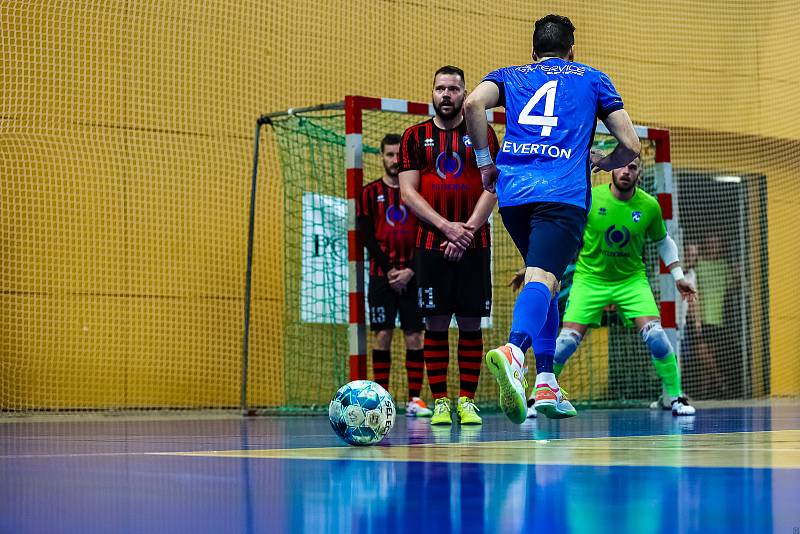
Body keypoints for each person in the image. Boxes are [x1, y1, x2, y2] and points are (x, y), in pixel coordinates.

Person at [464, 14, 641, 422]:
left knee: (546, 278)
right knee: (542, 279)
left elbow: (473, 104)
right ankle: (513, 352)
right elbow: (630, 145)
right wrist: (604, 161)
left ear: (533, 51)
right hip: (561, 193)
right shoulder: (592, 78)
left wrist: (484, 162)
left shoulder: (508, 74)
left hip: (513, 194)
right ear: (571, 50)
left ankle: (546, 382)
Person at [520, 156, 698, 417]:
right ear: (612, 169)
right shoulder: (590, 198)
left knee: (657, 337)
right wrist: (536, 266)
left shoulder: (649, 206)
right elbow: (566, 236)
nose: (626, 171)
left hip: (631, 281)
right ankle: (537, 397)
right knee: (565, 343)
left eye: (633, 167)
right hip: (590, 279)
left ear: (639, 174)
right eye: (622, 166)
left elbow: (663, 241)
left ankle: (674, 396)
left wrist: (679, 275)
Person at [398, 65, 500, 426]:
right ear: (433, 92)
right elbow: (408, 191)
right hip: (431, 244)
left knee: (471, 323)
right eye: (440, 88)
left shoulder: (483, 133)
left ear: (464, 94)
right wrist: (446, 228)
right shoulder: (414, 136)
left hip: (475, 242)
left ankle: (467, 402)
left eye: (453, 89)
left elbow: (493, 186)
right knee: (436, 321)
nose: (446, 95)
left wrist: (468, 230)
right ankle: (440, 400)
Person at [357, 134, 430, 417]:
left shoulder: (418, 191)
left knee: (415, 337)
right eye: (389, 154)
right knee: (383, 336)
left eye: (398, 154)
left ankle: (414, 399)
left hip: (414, 275)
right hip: (381, 277)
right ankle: (380, 398)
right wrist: (390, 271)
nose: (394, 159)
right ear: (381, 157)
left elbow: (426, 230)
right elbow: (367, 237)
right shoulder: (368, 193)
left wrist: (410, 269)